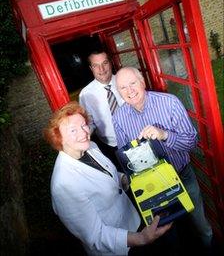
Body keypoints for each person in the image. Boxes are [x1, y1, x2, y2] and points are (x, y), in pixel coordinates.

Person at [43, 101, 171, 256]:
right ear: (59, 138)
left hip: (133, 218)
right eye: (73, 130)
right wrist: (141, 238)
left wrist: (127, 178)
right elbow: (96, 236)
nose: (83, 133)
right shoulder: (64, 184)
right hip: (118, 246)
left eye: (84, 125)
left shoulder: (90, 146)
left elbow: (108, 174)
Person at [112, 66, 213, 253]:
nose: (130, 91)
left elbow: (192, 142)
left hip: (182, 174)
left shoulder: (170, 103)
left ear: (142, 82)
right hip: (153, 186)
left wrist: (164, 134)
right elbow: (126, 157)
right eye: (123, 88)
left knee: (201, 225)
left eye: (132, 83)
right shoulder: (118, 117)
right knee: (166, 232)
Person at [79, 50, 123, 170]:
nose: (101, 69)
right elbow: (89, 123)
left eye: (104, 63)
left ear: (110, 63)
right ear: (91, 68)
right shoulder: (85, 94)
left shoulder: (123, 80)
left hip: (137, 136)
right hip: (110, 146)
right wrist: (85, 133)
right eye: (96, 65)